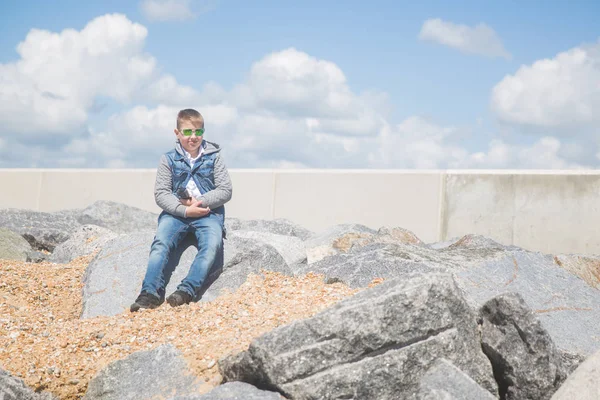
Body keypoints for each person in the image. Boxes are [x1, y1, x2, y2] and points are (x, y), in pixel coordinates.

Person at [130, 108, 233, 312]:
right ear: (177, 133)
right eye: (187, 132)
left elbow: (225, 190)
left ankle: (186, 291)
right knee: (161, 243)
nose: (193, 137)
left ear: (203, 132)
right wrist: (184, 210)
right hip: (176, 214)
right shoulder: (168, 159)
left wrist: (200, 203)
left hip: (207, 213)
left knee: (212, 245)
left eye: (198, 132)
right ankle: (150, 292)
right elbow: (161, 193)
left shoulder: (214, 157)